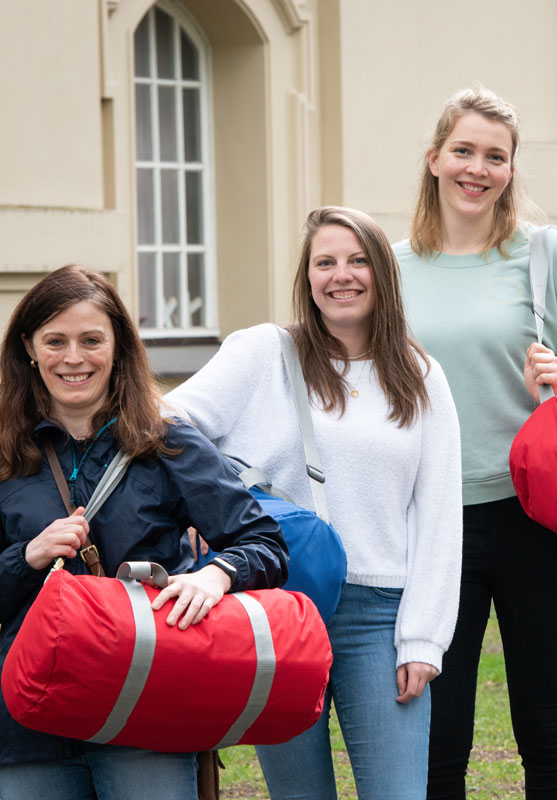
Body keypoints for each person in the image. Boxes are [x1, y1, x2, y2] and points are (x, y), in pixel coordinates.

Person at [0, 265, 287, 800]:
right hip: (31, 719)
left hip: (145, 706)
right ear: (30, 349)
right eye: (55, 341)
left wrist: (216, 575)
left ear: (118, 348)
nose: (73, 358)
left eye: (91, 340)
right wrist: (25, 557)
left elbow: (264, 544)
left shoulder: (169, 442)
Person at [393, 85, 557, 800]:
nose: (478, 168)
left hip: (538, 516)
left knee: (547, 733)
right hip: (430, 524)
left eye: (495, 157)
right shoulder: (390, 265)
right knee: (437, 735)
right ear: (435, 158)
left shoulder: (545, 254)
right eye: (465, 151)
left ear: (510, 169)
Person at [166, 206, 462, 800]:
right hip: (277, 605)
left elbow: (438, 515)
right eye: (324, 262)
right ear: (307, 278)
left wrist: (424, 640)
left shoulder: (420, 375)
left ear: (382, 272)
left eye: (357, 261)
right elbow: (168, 424)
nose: (341, 275)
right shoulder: (261, 354)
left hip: (379, 615)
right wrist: (201, 514)